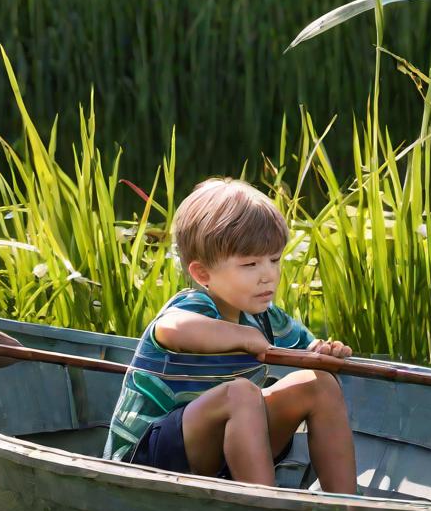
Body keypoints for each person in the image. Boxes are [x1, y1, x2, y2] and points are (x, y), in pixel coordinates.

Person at [104, 177, 357, 493]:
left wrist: (322, 355)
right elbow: (171, 328)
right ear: (203, 274)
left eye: (275, 260)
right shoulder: (193, 305)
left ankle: (346, 506)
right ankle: (265, 508)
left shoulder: (266, 318)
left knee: (318, 385)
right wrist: (239, 336)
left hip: (227, 453)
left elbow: (305, 351)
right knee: (241, 393)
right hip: (150, 458)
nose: (268, 275)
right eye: (250, 264)